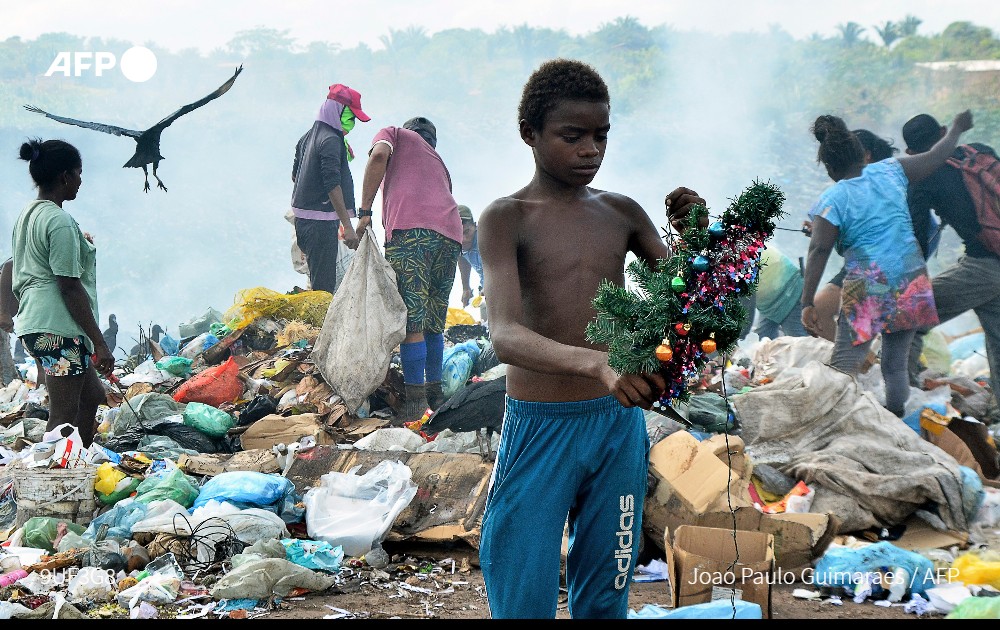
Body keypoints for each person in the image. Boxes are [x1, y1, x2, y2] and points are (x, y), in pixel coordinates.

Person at [475, 58, 702, 619]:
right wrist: (599, 365)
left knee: (606, 587)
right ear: (529, 134)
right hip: (540, 428)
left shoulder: (621, 212)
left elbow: (684, 298)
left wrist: (698, 235)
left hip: (616, 427)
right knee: (520, 583)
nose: (590, 150)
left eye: (601, 135)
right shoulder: (507, 217)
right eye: (571, 136)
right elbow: (504, 335)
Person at [800, 111, 974, 418]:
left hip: (869, 283)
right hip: (911, 278)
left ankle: (833, 422)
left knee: (844, 365)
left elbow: (819, 250)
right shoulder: (891, 170)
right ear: (860, 154)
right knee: (894, 364)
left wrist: (806, 302)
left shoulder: (832, 198)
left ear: (829, 167)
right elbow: (936, 156)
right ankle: (894, 418)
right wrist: (956, 129)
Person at [356, 116, 464, 422]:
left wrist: (364, 212)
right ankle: (436, 394)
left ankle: (416, 405)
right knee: (433, 319)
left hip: (413, 233)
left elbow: (378, 155)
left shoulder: (396, 134)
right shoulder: (440, 165)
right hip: (450, 235)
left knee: (411, 320)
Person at [12, 138, 115, 447]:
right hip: (58, 329)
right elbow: (68, 286)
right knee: (63, 415)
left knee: (93, 397)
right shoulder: (59, 220)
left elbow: (35, 260)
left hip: (38, 323)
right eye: (79, 173)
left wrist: (78, 242)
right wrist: (100, 342)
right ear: (65, 176)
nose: (81, 181)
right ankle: (50, 482)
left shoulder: (30, 215)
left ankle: (77, 459)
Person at [903, 113, 1000, 398]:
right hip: (993, 260)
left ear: (910, 153)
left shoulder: (922, 179)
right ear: (944, 131)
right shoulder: (981, 151)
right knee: (997, 338)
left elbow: (917, 239)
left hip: (982, 266)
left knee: (909, 318)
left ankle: (900, 399)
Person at [808, 128, 913, 342]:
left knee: (822, 314)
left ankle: (857, 365)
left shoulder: (879, 181)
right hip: (868, 263)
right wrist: (823, 231)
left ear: (864, 154)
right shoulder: (875, 178)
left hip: (875, 266)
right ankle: (863, 365)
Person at [289, 83, 371, 295]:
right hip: (320, 226)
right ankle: (321, 328)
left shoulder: (307, 137)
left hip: (304, 222)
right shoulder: (331, 140)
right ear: (337, 110)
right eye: (350, 116)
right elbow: (332, 184)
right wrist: (348, 226)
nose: (352, 123)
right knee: (324, 291)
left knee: (318, 281)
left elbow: (295, 177)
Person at [741, 244, 808, 340]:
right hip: (768, 304)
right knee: (762, 341)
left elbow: (747, 305)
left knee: (798, 344)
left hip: (789, 293)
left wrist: (740, 337)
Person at [456, 204, 487, 323]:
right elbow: (462, 257)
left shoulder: (485, 238)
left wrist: (491, 284)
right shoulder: (458, 244)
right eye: (459, 234)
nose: (464, 239)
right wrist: (466, 288)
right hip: (486, 285)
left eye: (467, 232)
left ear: (475, 226)